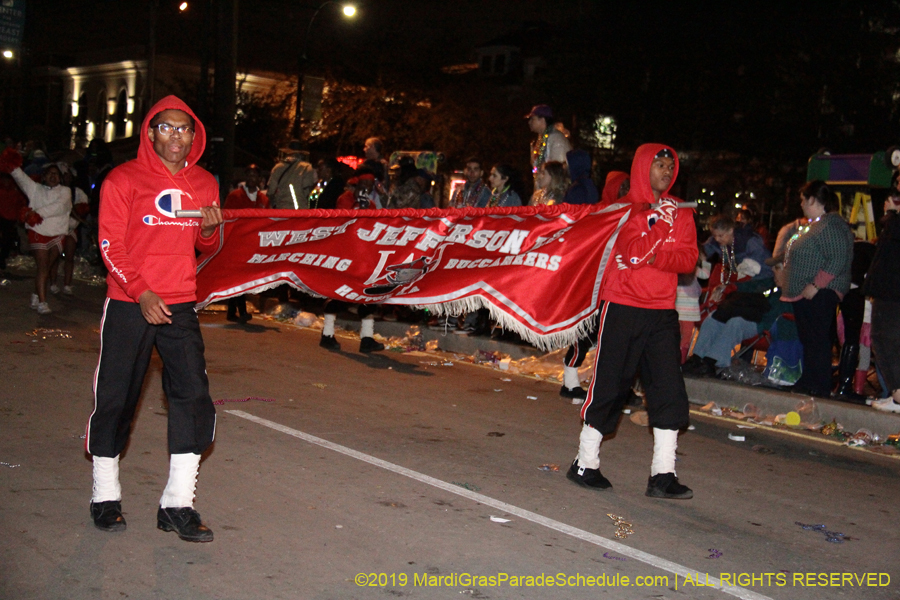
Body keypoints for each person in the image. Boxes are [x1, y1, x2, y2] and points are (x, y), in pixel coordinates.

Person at [86, 95, 223, 542]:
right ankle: (105, 495)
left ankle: (177, 504)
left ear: (194, 135)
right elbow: (109, 245)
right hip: (130, 301)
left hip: (180, 301)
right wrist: (139, 292)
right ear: (150, 132)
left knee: (193, 395)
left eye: (184, 129)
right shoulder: (122, 179)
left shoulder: (204, 182)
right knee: (117, 397)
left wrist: (208, 228)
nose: (176, 137)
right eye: (166, 128)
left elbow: (207, 248)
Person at [567, 144, 697, 499]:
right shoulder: (623, 211)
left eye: (672, 164)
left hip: (662, 312)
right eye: (660, 164)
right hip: (622, 307)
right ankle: (585, 462)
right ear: (642, 167)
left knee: (668, 389)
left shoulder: (681, 210)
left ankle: (663, 475)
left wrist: (656, 244)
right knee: (611, 383)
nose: (667, 170)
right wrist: (661, 226)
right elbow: (632, 253)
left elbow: (688, 260)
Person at [560, 172, 630, 402]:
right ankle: (570, 382)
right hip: (596, 287)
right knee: (585, 336)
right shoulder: (599, 214)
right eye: (624, 189)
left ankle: (612, 387)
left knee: (617, 339)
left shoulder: (632, 214)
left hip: (621, 287)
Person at [781, 180, 853, 398]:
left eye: (803, 200)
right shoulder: (817, 225)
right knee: (810, 339)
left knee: (818, 339)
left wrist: (816, 285)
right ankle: (810, 379)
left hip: (820, 293)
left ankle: (820, 385)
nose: (801, 204)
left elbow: (838, 257)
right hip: (808, 293)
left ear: (813, 199)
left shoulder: (830, 225)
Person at [683, 214, 775, 376]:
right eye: (715, 236)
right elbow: (706, 250)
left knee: (731, 318)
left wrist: (751, 269)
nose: (718, 239)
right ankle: (698, 357)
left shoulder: (750, 241)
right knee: (713, 318)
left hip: (759, 293)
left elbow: (765, 264)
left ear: (731, 230)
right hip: (742, 290)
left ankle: (713, 361)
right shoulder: (720, 242)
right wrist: (699, 255)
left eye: (721, 235)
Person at [0, 156, 72, 315]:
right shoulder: (35, 189)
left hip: (58, 234)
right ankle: (42, 302)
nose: (53, 176)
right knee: (42, 267)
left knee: (46, 268)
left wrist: (35, 213)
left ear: (60, 177)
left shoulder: (66, 191)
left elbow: (59, 208)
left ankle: (36, 293)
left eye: (56, 174)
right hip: (38, 232)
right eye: (50, 174)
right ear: (44, 176)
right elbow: (21, 179)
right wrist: (11, 164)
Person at [864, 189, 900, 413]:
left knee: (885, 339)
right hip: (888, 289)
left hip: (892, 291)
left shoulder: (896, 223)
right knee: (884, 339)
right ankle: (896, 393)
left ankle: (897, 394)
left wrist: (893, 214)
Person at [223, 164, 269, 323]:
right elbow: (226, 218)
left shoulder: (263, 199)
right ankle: (241, 311)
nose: (251, 179)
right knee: (238, 277)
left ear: (259, 179)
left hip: (253, 243)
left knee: (241, 277)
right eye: (248, 175)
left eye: (254, 176)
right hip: (237, 242)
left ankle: (232, 311)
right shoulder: (235, 196)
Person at [49, 162, 90, 296]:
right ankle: (53, 283)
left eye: (69, 176)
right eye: (64, 176)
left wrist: (77, 217)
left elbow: (81, 209)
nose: (67, 178)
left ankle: (67, 284)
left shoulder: (77, 192)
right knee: (54, 257)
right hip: (56, 229)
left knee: (69, 257)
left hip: (70, 229)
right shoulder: (54, 191)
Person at [526, 104, 572, 179]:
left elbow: (557, 171)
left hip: (555, 187)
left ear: (542, 120)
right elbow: (536, 167)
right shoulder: (540, 140)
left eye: (532, 119)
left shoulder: (556, 139)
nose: (529, 122)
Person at [267, 141, 315, 209]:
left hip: (281, 209)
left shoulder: (277, 167)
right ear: (301, 154)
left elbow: (271, 191)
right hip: (299, 209)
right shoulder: (307, 167)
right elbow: (307, 190)